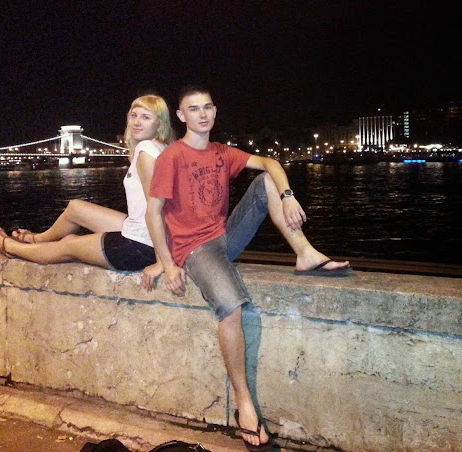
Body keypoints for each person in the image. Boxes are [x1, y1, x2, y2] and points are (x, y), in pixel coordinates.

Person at [144, 85, 350, 451]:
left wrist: (288, 196)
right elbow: (153, 213)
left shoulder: (222, 152)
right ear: (181, 115)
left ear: (215, 111)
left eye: (208, 107)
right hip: (195, 249)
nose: (202, 114)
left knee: (266, 181)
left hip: (225, 236)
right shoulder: (172, 157)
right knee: (231, 308)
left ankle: (304, 253)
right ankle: (244, 404)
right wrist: (167, 263)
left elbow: (270, 164)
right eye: (194, 109)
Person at [0, 94, 175, 271]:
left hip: (143, 247)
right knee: (76, 208)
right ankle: (36, 239)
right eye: (134, 115)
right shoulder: (162, 148)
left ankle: (9, 246)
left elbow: (156, 210)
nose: (137, 122)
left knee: (69, 244)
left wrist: (163, 263)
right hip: (143, 232)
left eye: (146, 117)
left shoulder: (146, 152)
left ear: (160, 124)